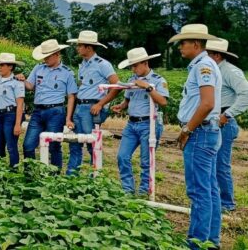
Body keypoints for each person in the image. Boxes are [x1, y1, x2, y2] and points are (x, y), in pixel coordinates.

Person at [169, 24, 222, 249]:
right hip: (207, 131)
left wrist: (187, 129)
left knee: (199, 191)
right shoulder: (203, 65)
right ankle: (211, 240)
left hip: (200, 133)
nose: (180, 47)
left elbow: (207, 103)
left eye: (184, 42)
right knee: (209, 188)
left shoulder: (203, 67)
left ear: (196, 44)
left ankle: (197, 243)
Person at [98, 48, 168, 195]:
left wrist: (148, 88)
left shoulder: (157, 80)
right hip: (132, 124)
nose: (133, 69)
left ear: (145, 63)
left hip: (149, 123)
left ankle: (144, 191)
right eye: (132, 66)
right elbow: (128, 100)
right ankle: (128, 189)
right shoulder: (131, 80)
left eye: (135, 65)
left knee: (146, 160)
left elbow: (163, 101)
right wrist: (122, 106)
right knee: (122, 156)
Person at [66, 31, 119, 175]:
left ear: (88, 47)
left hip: (91, 107)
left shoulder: (103, 64)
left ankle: (93, 177)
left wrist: (101, 104)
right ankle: (71, 176)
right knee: (75, 142)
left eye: (79, 46)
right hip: (80, 106)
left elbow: (116, 86)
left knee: (91, 144)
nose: (77, 48)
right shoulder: (83, 65)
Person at [21, 39, 78, 170]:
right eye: (44, 56)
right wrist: (23, 80)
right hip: (37, 111)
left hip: (56, 112)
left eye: (48, 56)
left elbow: (71, 96)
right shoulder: (38, 68)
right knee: (28, 145)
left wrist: (68, 118)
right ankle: (30, 174)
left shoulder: (67, 72)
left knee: (53, 146)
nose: (45, 59)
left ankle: (54, 175)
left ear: (57, 54)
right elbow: (30, 86)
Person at [206, 38, 247, 212]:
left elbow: (246, 94)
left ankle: (227, 204)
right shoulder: (213, 71)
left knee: (220, 165)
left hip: (224, 121)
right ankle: (215, 200)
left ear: (216, 55)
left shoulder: (230, 71)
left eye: (207, 54)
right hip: (212, 120)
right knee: (211, 163)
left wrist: (227, 114)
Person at [0, 53, 25, 167]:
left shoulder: (17, 82)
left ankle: (14, 170)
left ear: (10, 66)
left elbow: (20, 103)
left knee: (11, 146)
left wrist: (17, 124)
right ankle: (0, 169)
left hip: (11, 115)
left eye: (2, 65)